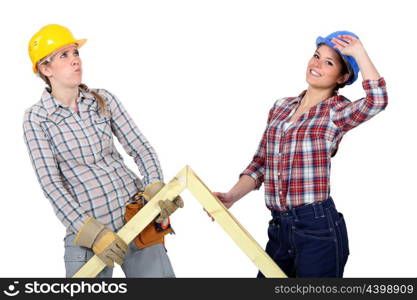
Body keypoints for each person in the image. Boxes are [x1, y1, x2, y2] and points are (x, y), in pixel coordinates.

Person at [213, 31, 388, 277]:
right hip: (279, 229)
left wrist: (359, 52)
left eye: (329, 62)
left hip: (317, 230)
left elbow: (377, 101)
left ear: (342, 76)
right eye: (316, 56)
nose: (316, 64)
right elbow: (260, 163)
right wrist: (232, 195)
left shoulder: (336, 112)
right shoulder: (281, 107)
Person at [23, 24, 183, 278]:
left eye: (75, 53)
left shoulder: (102, 99)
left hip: (135, 218)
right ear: (45, 68)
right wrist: (94, 234)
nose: (75, 60)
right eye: (64, 55)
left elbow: (140, 148)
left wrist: (154, 187)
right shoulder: (37, 119)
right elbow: (51, 185)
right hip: (87, 231)